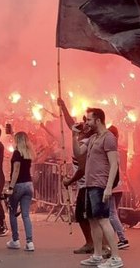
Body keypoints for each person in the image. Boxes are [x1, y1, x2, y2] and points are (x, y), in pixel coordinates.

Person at [73, 107, 123, 268]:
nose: (86, 122)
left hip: (100, 184)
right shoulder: (93, 138)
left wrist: (109, 187)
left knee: (103, 219)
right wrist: (74, 135)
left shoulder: (108, 138)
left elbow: (114, 163)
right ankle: (97, 254)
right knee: (93, 220)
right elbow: (78, 152)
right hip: (89, 184)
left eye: (88, 119)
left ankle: (115, 257)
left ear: (98, 120)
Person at [58, 98, 95, 254]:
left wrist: (69, 180)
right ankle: (93, 243)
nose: (84, 124)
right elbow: (70, 124)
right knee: (84, 216)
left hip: (87, 184)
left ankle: (96, 244)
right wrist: (63, 107)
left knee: (85, 216)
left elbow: (82, 168)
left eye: (87, 121)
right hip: (83, 184)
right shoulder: (81, 137)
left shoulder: (87, 142)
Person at [5, 131, 36, 252]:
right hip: (29, 184)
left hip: (19, 185)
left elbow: (16, 171)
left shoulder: (17, 153)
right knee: (26, 215)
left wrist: (11, 187)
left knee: (12, 212)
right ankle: (30, 242)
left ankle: (15, 239)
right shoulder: (28, 153)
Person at [107, 125, 130, 250]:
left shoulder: (110, 149)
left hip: (113, 185)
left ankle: (122, 238)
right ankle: (114, 238)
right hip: (121, 185)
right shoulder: (121, 149)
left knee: (111, 213)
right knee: (114, 213)